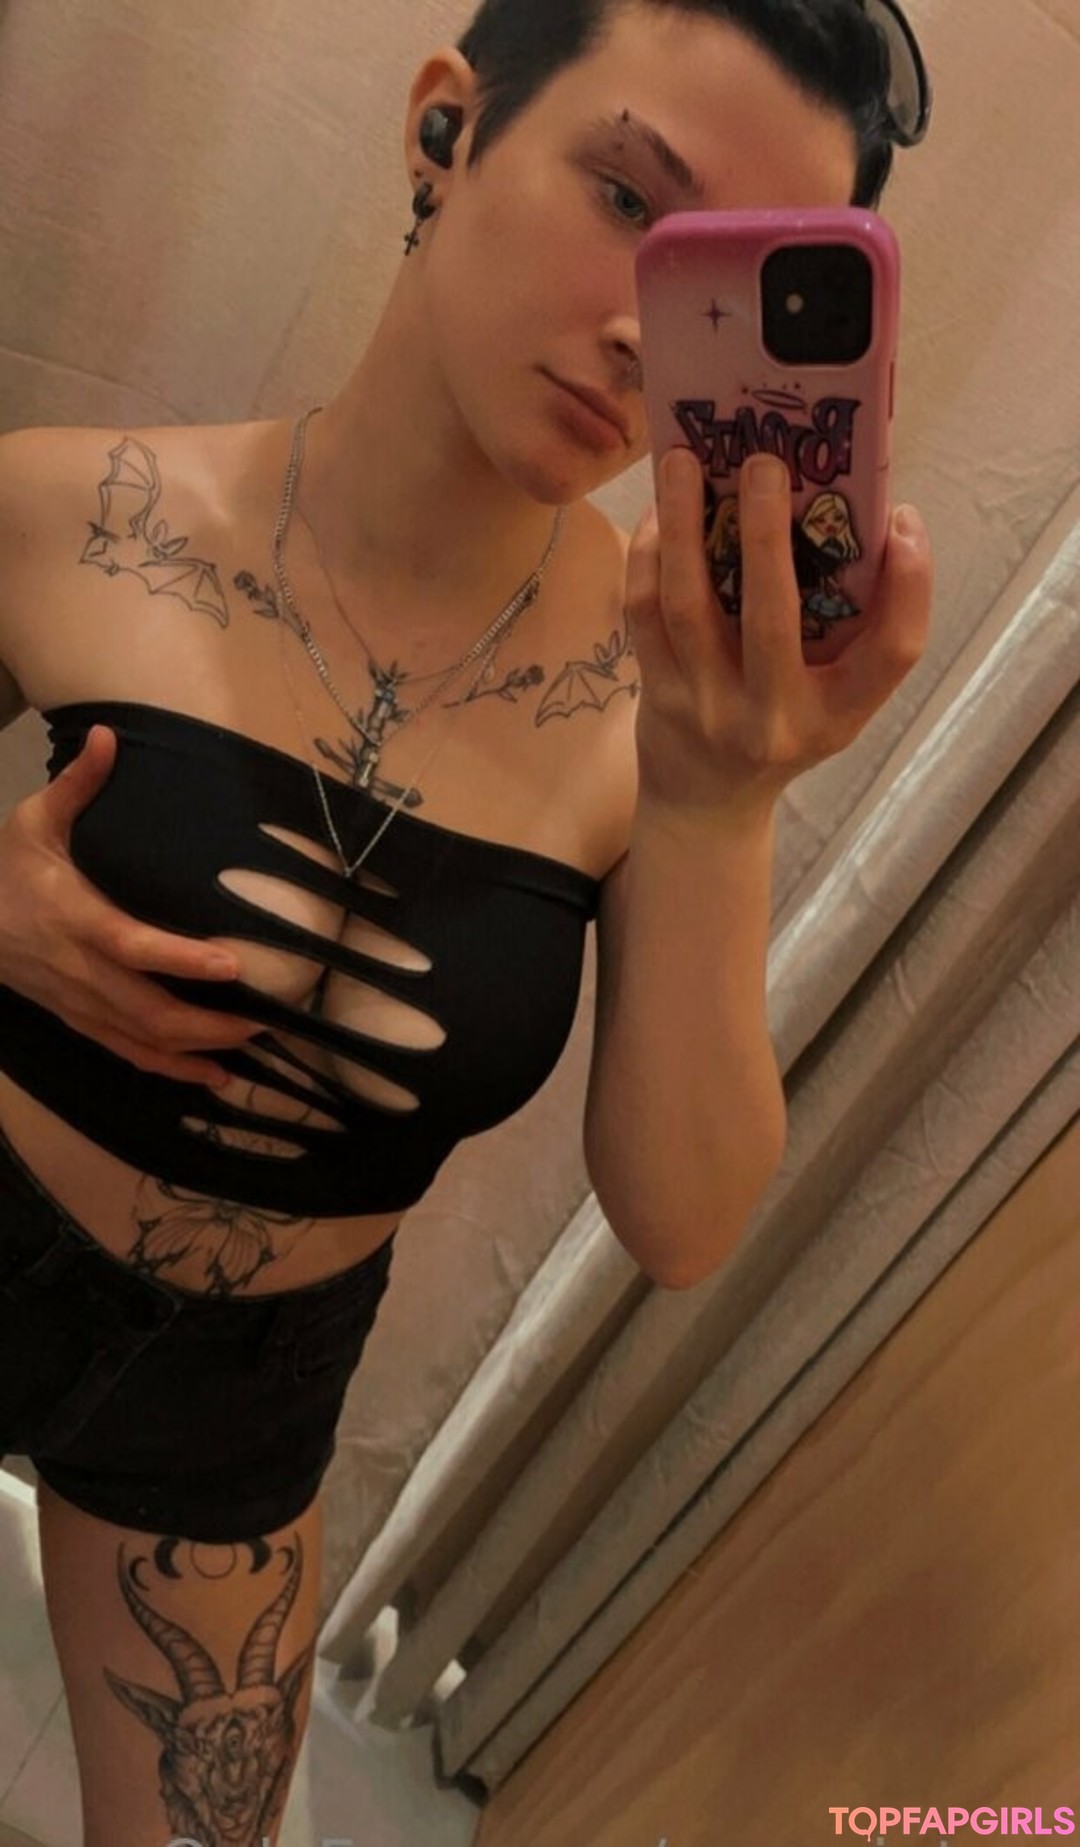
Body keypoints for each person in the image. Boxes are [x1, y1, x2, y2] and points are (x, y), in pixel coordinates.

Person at [0, 0, 934, 1839]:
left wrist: (718, 800)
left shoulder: (670, 705)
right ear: (448, 127)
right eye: (628, 199)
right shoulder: (72, 514)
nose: (643, 328)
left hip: (232, 1412)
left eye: (726, 291)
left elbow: (681, 1223)